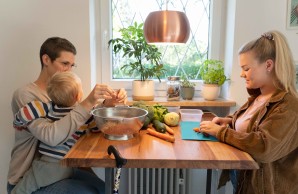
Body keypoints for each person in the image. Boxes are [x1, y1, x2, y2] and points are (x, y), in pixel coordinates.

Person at [7, 37, 128, 194]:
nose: (69, 70)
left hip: (63, 169)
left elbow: (81, 121)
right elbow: (51, 136)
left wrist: (107, 105)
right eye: (64, 64)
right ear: (46, 59)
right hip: (30, 179)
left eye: (71, 65)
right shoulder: (26, 95)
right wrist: (88, 102)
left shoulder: (65, 94)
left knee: (106, 189)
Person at [199, 30, 298, 194]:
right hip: (244, 179)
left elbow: (264, 147)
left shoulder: (289, 106)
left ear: (268, 65)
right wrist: (229, 121)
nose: (241, 73)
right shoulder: (260, 95)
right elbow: (252, 121)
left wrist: (221, 132)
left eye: (246, 68)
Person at [11, 71, 103, 194]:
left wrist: (17, 123)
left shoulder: (48, 108)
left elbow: (26, 112)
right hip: (66, 166)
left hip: (48, 165)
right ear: (78, 96)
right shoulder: (82, 115)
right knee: (101, 187)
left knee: (25, 188)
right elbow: (96, 127)